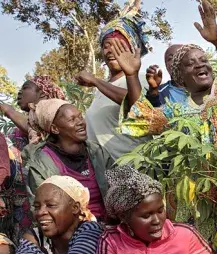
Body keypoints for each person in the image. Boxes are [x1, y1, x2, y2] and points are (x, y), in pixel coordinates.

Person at [107, 0, 217, 254]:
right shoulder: (174, 113)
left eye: (204, 61)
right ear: (179, 76)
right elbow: (139, 118)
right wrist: (132, 76)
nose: (201, 66)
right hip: (195, 199)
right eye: (191, 64)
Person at [76, 3, 151, 160]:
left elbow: (138, 106)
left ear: (131, 48)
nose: (109, 50)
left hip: (135, 170)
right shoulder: (101, 89)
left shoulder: (142, 79)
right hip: (106, 174)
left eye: (118, 45)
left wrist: (96, 81)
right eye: (106, 45)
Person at [22, 99, 114, 221]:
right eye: (72, 120)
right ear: (55, 129)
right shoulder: (41, 164)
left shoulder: (97, 152)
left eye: (80, 117)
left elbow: (119, 188)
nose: (80, 122)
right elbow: (43, 212)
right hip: (71, 233)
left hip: (110, 227)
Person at [0, 76, 65, 150]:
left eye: (25, 88)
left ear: (42, 93)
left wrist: (10, 111)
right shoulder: (25, 122)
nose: (19, 91)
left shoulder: (53, 113)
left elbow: (35, 127)